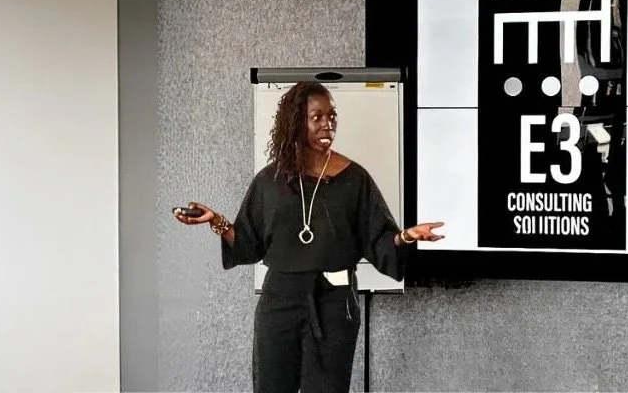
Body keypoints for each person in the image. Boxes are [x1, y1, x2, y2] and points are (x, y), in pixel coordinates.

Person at [174, 81, 445, 393]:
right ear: (296, 122)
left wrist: (406, 236)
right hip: (279, 301)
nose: (327, 124)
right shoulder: (271, 180)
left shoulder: (355, 179)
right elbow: (248, 243)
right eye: (316, 117)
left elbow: (380, 240)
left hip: (334, 304)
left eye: (332, 116)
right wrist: (218, 222)